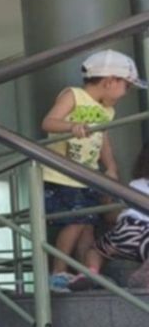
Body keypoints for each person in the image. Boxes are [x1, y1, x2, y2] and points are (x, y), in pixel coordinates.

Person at [39, 49, 138, 292]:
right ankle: (58, 273)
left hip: (87, 175)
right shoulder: (73, 95)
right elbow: (48, 122)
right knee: (76, 221)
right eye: (127, 86)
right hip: (62, 174)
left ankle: (86, 273)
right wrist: (72, 126)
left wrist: (111, 167)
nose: (127, 93)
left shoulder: (107, 110)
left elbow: (103, 138)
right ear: (110, 81)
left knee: (88, 226)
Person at [82, 144, 149, 289]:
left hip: (125, 230)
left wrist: (107, 202)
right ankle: (144, 276)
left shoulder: (135, 184)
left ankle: (91, 272)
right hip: (146, 235)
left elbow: (112, 216)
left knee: (95, 250)